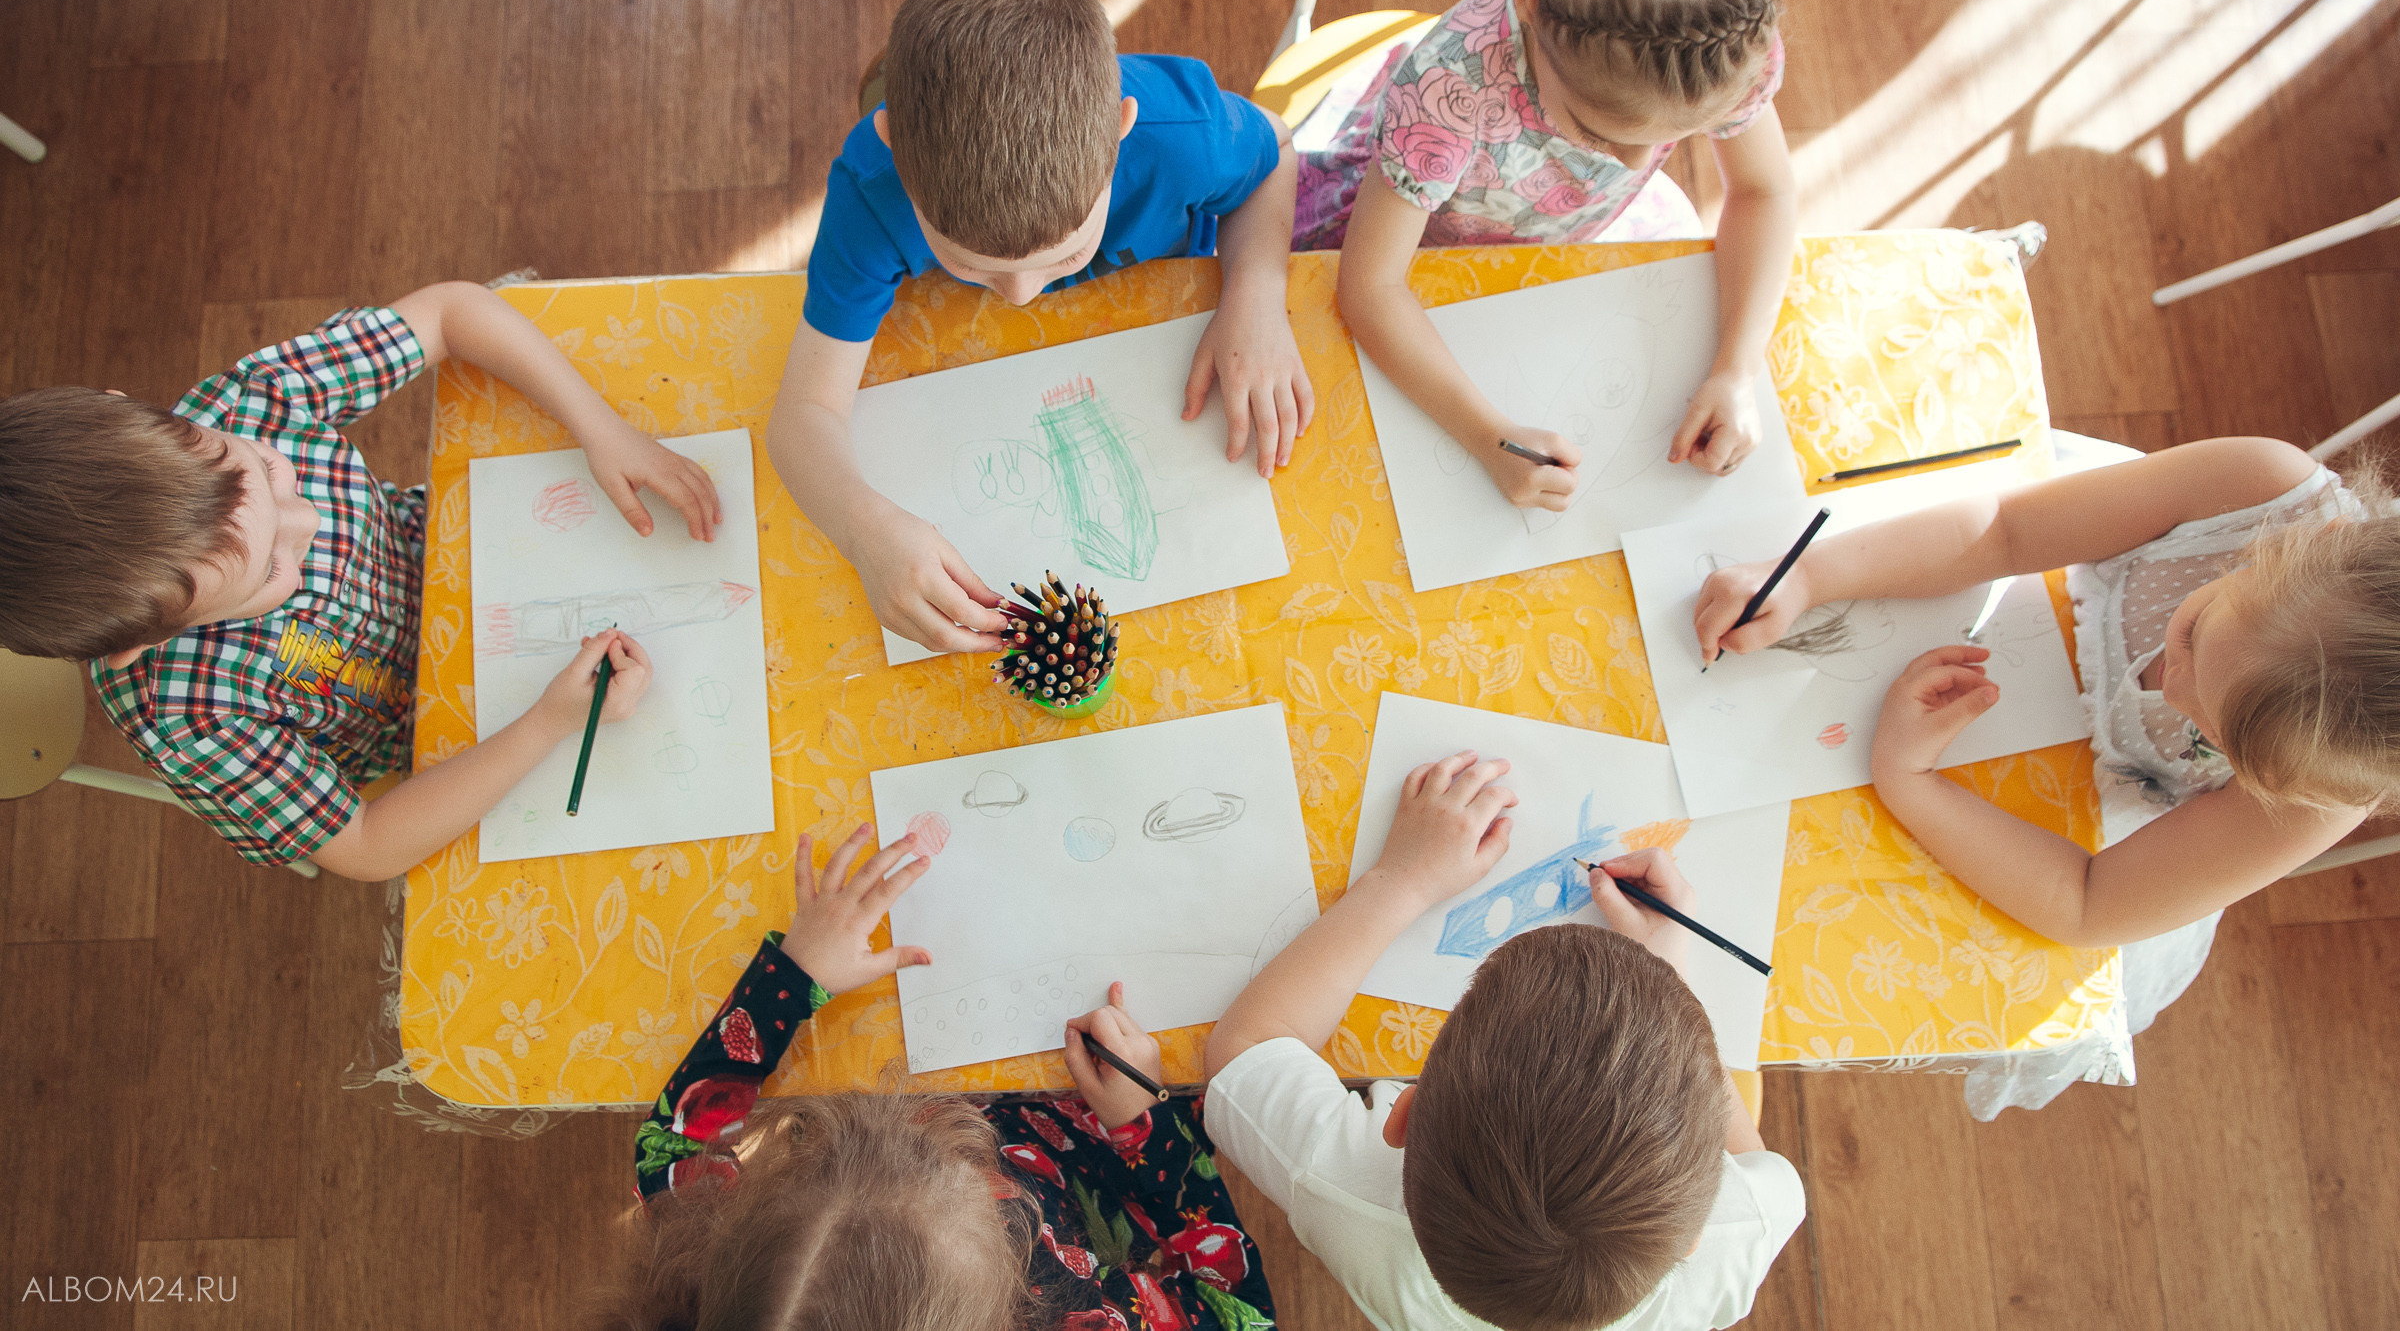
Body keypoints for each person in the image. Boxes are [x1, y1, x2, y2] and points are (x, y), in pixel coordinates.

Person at [1694, 436, 2393, 1107]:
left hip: (2097, 816)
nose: (2174, 691)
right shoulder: (2257, 489)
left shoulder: (2316, 796)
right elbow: (2004, 531)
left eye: (2215, 733)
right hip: (2033, 574)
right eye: (2193, 636)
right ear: (2296, 545)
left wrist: (1910, 780)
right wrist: (1811, 576)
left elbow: (2089, 901)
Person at [0, 285, 721, 878]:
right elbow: (368, 843)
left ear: (136, 409)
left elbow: (451, 313)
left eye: (271, 475)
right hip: (438, 748)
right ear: (139, 646)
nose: (305, 522)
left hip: (471, 554)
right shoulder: (190, 722)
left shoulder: (252, 405)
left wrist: (601, 429)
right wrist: (548, 724)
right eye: (270, 569)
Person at [769, 0, 1310, 657]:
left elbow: (1275, 149)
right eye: (970, 264)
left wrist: (1258, 292)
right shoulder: (872, 192)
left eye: (1064, 257)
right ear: (894, 146)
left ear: (1120, 131)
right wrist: (862, 527)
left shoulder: (1183, 137)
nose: (1024, 296)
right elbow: (801, 415)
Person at [1201, 752, 1804, 1331]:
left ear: (1403, 1117)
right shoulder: (1744, 1230)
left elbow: (1248, 1046)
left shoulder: (1345, 1192)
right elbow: (1748, 1157)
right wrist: (1667, 978)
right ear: (1700, 1223)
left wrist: (1403, 880)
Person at [589, 824, 1278, 1331]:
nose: (953, 1133)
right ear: (1009, 1297)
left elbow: (674, 1144)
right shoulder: (1088, 1318)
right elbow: (1236, 1305)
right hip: (1085, 1144)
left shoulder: (701, 1255)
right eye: (975, 1188)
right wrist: (1144, 1123)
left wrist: (795, 976)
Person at [1318, 0, 1798, 510]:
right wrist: (1488, 437)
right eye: (1596, 133)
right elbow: (1369, 288)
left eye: (1663, 140)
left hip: (1557, 240)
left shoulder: (1722, 51)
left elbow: (1763, 192)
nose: (1633, 167)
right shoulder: (1449, 89)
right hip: (1416, 236)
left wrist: (1736, 367)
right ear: (1533, 7)